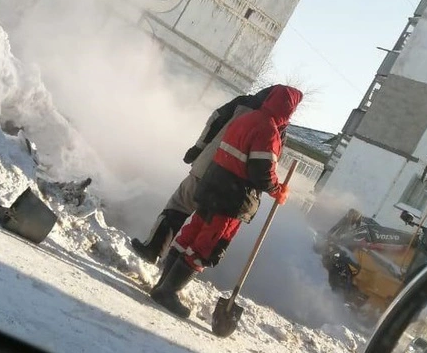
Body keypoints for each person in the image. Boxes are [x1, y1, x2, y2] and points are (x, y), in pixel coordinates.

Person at [148, 85, 303, 318]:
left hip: (212, 185)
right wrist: (277, 190)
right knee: (206, 245)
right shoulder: (268, 131)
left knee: (190, 235)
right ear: (289, 108)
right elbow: (261, 171)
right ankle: (167, 292)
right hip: (232, 196)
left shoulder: (247, 118)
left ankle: (162, 284)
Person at [130, 85, 289, 264]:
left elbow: (215, 121)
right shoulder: (278, 128)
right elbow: (267, 162)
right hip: (232, 188)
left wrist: (198, 148)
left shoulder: (243, 103)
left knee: (180, 205)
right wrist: (273, 188)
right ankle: (171, 273)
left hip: (207, 165)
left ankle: (154, 249)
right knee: (203, 231)